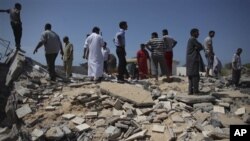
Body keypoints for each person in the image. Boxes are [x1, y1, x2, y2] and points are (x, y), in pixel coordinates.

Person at [186, 28, 203, 95]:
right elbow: (201, 46)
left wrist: (197, 48)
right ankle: (195, 91)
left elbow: (199, 47)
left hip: (190, 60)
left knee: (191, 76)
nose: (198, 34)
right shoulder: (193, 39)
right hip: (193, 59)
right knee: (195, 76)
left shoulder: (191, 40)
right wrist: (197, 48)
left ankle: (190, 91)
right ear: (193, 33)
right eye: (197, 32)